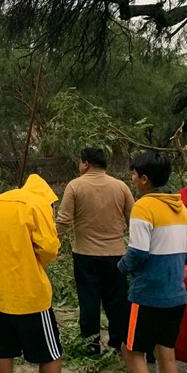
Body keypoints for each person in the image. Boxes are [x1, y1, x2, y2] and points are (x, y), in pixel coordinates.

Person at [0, 174, 62, 373]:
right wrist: (37, 263)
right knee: (50, 353)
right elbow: (49, 249)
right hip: (29, 296)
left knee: (2, 351)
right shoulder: (38, 205)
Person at [118, 152, 187, 373]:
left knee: (132, 351)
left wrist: (122, 267)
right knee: (165, 351)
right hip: (176, 296)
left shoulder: (143, 207)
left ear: (144, 179)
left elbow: (138, 252)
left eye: (133, 174)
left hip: (147, 295)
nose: (131, 179)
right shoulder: (182, 210)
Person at [56, 147, 134, 355]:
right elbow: (133, 219)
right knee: (117, 301)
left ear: (86, 163)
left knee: (88, 301)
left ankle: (91, 345)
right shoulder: (121, 187)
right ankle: (119, 343)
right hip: (116, 254)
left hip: (85, 255)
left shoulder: (75, 186)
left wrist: (52, 244)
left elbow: (63, 220)